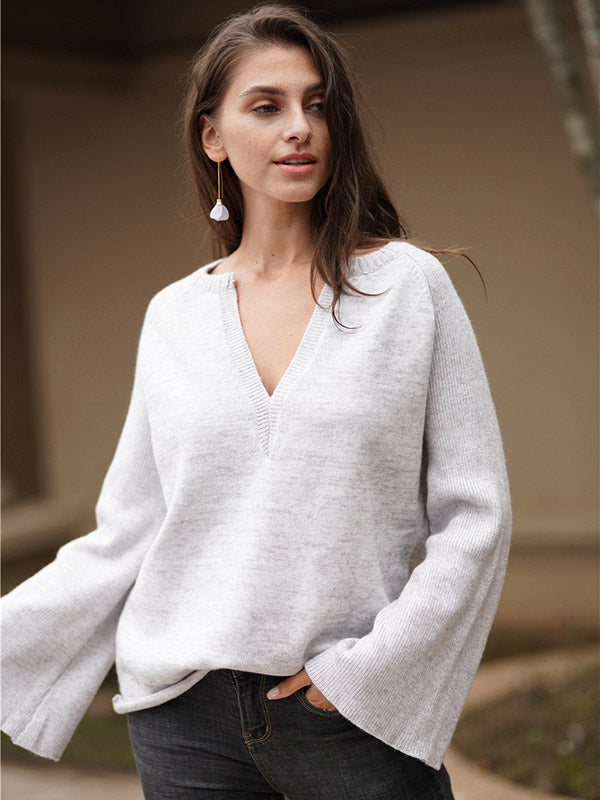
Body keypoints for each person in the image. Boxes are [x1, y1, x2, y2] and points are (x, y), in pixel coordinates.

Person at [1, 4, 512, 798]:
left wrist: (368, 673)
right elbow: (130, 531)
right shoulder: (174, 315)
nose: (299, 128)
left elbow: (476, 513)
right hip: (184, 723)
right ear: (213, 137)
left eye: (317, 105)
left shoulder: (408, 290)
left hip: (350, 717)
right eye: (267, 106)